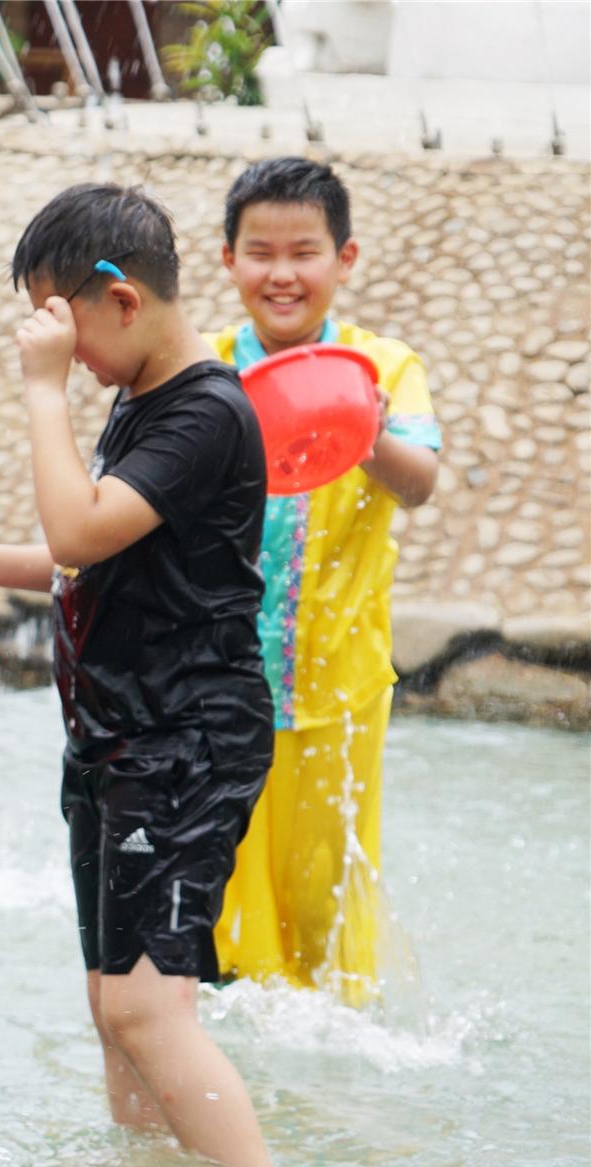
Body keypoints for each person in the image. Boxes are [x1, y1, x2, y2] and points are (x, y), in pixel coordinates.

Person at [0, 186, 277, 1167]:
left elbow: (77, 528)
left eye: (61, 320)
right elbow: (89, 553)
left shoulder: (207, 413)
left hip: (187, 737)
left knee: (147, 1000)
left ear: (123, 298)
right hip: (118, 735)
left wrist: (43, 390)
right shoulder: (146, 404)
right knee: (115, 1003)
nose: (59, 345)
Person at [210, 158, 442, 1004]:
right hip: (213, 697)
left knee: (323, 930)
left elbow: (418, 482)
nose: (281, 274)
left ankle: (316, 1116)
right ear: (226, 260)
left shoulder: (384, 366)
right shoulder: (199, 368)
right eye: (259, 252)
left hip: (337, 697)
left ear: (345, 260)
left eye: (303, 252)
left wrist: (365, 429)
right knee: (223, 932)